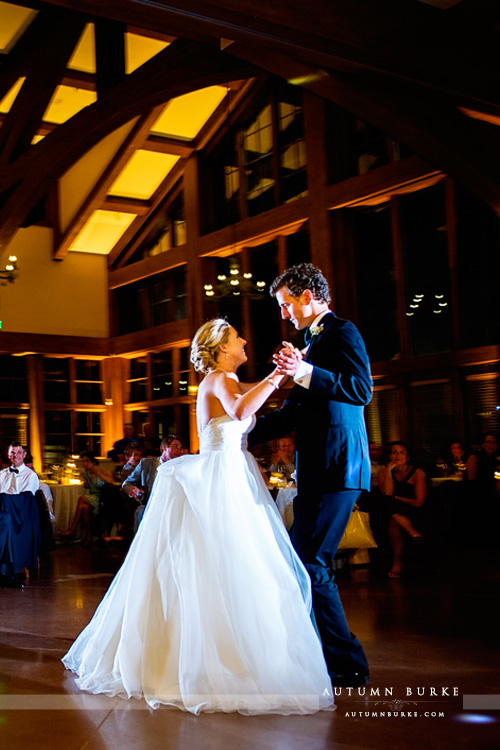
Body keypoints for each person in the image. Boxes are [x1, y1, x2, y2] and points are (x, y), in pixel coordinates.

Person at [62, 318, 333, 715]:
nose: (244, 341)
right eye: (238, 338)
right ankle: (207, 660)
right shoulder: (219, 380)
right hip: (220, 477)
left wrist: (294, 366)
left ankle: (237, 649)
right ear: (222, 348)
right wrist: (277, 375)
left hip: (232, 474)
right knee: (219, 564)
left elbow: (252, 401)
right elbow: (242, 408)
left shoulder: (225, 380)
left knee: (236, 565)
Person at [250, 262, 372, 688]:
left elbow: (360, 389)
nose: (283, 314)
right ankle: (318, 655)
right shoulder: (307, 340)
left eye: (285, 304)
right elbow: (295, 412)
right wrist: (240, 430)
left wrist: (302, 371)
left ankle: (348, 664)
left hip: (340, 465)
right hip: (316, 469)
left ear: (306, 296)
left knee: (311, 563)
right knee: (300, 564)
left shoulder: (342, 332)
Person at [377, 441, 427, 578]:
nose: (397, 455)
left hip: (413, 508)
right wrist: (388, 472)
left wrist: (397, 498)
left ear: (408, 456)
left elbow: (419, 502)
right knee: (391, 514)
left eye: (401, 452)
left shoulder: (417, 473)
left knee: (391, 509)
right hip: (392, 511)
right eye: (394, 452)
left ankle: (397, 563)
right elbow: (387, 494)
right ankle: (412, 532)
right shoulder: (383, 472)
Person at [122, 435, 184, 533]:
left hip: (173, 506)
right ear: (164, 447)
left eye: (180, 448)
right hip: (150, 504)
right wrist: (131, 490)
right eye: (175, 447)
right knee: (142, 513)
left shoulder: (182, 466)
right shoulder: (146, 464)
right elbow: (127, 483)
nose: (179, 451)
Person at [59, 452, 115, 546]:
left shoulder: (104, 471)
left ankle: (72, 528)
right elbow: (88, 485)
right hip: (92, 498)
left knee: (81, 498)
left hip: (102, 498)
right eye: (83, 461)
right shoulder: (86, 474)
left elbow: (111, 482)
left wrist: (98, 473)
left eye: (87, 461)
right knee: (84, 507)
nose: (84, 463)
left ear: (93, 462)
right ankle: (89, 536)